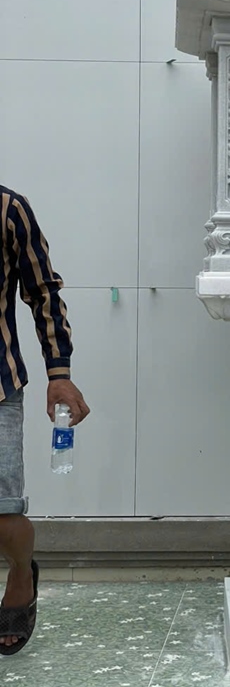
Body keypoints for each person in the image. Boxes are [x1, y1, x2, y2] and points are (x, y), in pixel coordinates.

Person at [0, 185, 90, 654]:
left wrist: (60, 374)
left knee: (3, 514)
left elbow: (43, 293)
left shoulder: (9, 209)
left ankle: (20, 571)